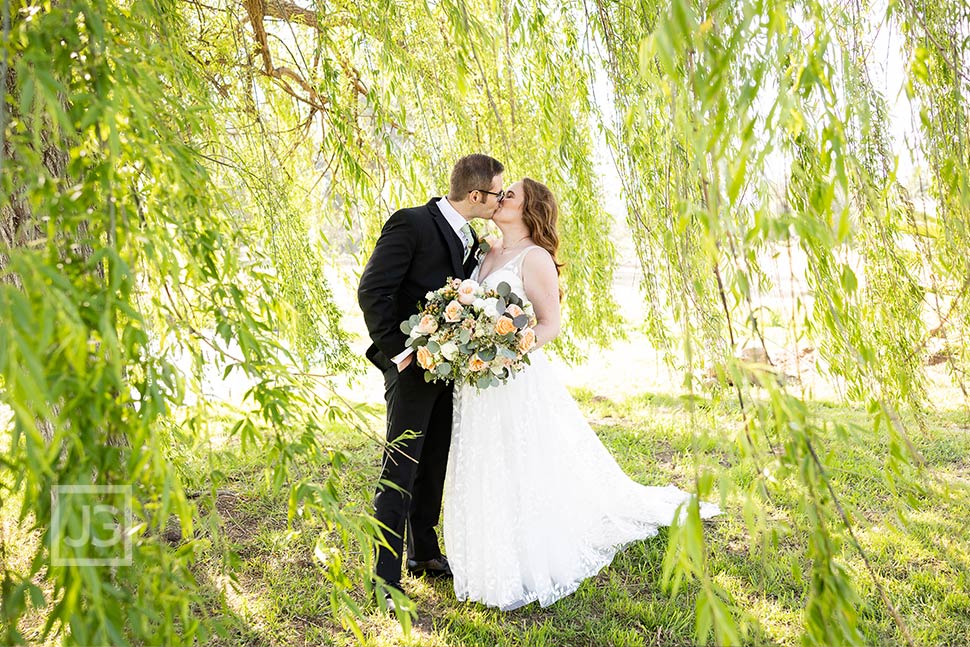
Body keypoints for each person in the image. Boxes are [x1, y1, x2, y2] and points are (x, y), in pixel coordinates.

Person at [443, 178, 721, 610]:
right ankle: (486, 548)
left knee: (520, 460)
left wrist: (506, 351)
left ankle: (527, 549)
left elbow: (550, 324)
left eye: (509, 195)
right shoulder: (487, 252)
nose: (499, 199)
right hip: (477, 380)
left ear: (528, 208)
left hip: (512, 374)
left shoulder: (535, 259)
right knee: (484, 458)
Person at [357, 154, 505, 612]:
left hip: (449, 370)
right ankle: (384, 576)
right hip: (410, 367)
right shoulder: (412, 223)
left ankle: (423, 551)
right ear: (476, 195)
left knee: (435, 457)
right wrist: (398, 355)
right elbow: (373, 291)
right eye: (498, 194)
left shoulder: (471, 239)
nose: (501, 202)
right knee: (400, 469)